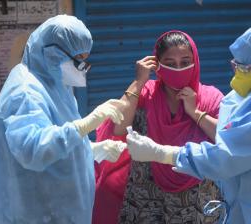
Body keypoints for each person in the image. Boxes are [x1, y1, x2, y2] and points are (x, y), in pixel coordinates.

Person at [126, 21, 251, 223]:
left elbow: (226, 156)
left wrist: (160, 153)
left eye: (243, 64)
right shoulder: (245, 98)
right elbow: (226, 136)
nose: (235, 67)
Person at [0, 15, 126, 223]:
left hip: (55, 211)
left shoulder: (56, 84)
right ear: (52, 53)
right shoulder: (25, 91)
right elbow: (34, 149)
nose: (81, 69)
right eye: (78, 61)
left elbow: (58, 137)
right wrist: (88, 122)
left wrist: (91, 149)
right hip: (31, 213)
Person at [92, 30, 224, 223]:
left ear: (195, 61)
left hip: (196, 205)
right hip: (144, 202)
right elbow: (118, 128)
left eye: (185, 62)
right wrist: (138, 81)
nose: (178, 68)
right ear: (158, 65)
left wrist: (196, 113)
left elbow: (227, 140)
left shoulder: (210, 97)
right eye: (170, 64)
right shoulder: (146, 93)